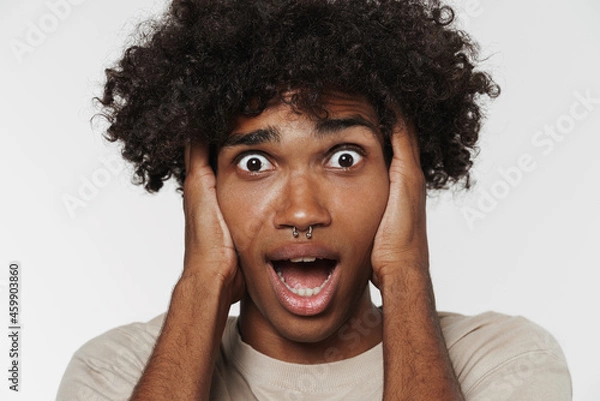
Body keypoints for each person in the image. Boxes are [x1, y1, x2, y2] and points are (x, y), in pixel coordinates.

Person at [56, 0, 572, 400]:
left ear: (403, 177)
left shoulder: (505, 360)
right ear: (203, 187)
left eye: (344, 158)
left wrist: (406, 272)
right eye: (255, 163)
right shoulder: (115, 371)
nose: (302, 212)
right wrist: (201, 281)